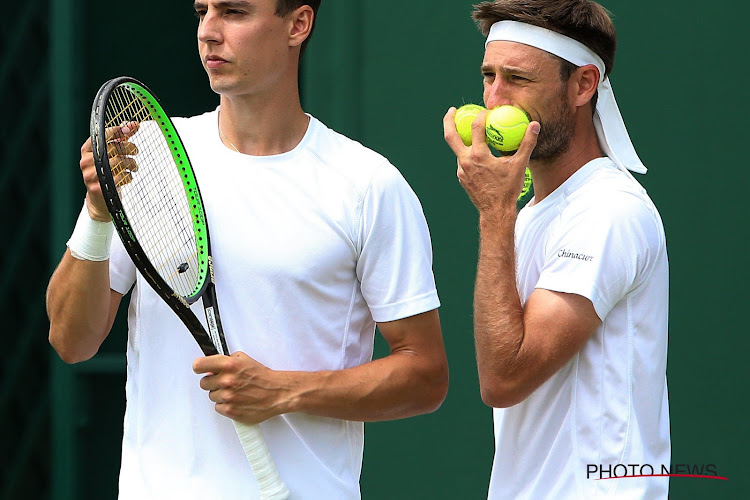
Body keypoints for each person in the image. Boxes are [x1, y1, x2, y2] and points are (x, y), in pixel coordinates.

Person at [47, 1, 448, 498]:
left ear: (298, 25)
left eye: (234, 12)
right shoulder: (147, 158)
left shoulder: (369, 186)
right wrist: (97, 213)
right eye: (202, 12)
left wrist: (284, 391)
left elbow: (425, 376)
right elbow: (71, 339)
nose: (209, 32)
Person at [443, 1, 669, 498]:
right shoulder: (531, 215)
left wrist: (493, 212)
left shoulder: (608, 211)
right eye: (488, 76)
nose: (494, 99)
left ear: (584, 85)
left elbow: (504, 378)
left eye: (518, 79)